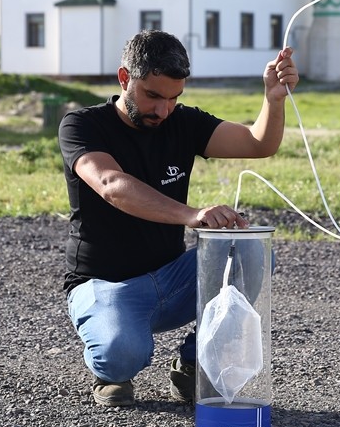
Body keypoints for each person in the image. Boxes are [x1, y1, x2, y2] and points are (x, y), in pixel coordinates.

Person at [57, 29, 298, 407]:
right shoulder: (82, 126)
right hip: (105, 284)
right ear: (124, 78)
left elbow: (258, 143)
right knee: (122, 355)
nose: (163, 110)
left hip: (171, 281)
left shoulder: (183, 123)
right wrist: (192, 215)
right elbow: (110, 184)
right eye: (153, 96)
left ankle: (194, 363)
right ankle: (111, 369)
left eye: (174, 98)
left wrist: (273, 98)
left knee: (250, 250)